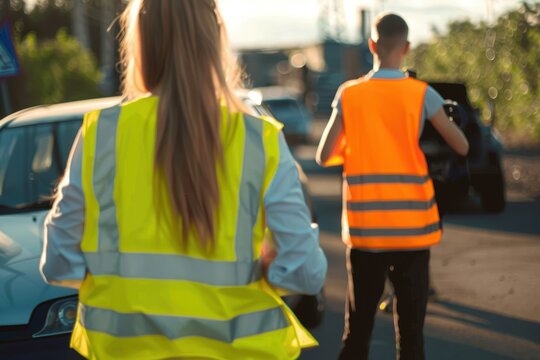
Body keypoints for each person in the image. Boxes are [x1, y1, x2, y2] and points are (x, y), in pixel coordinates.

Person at [40, 1, 327, 359]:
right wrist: (271, 265)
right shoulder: (259, 139)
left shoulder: (102, 136)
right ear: (214, 40)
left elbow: (57, 265)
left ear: (141, 43)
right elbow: (305, 274)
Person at [316, 13, 469, 360]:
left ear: (371, 45)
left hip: (366, 232)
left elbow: (325, 156)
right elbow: (461, 146)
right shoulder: (421, 94)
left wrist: (361, 148)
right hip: (412, 232)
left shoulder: (349, 94)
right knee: (411, 335)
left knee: (357, 333)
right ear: (407, 48)